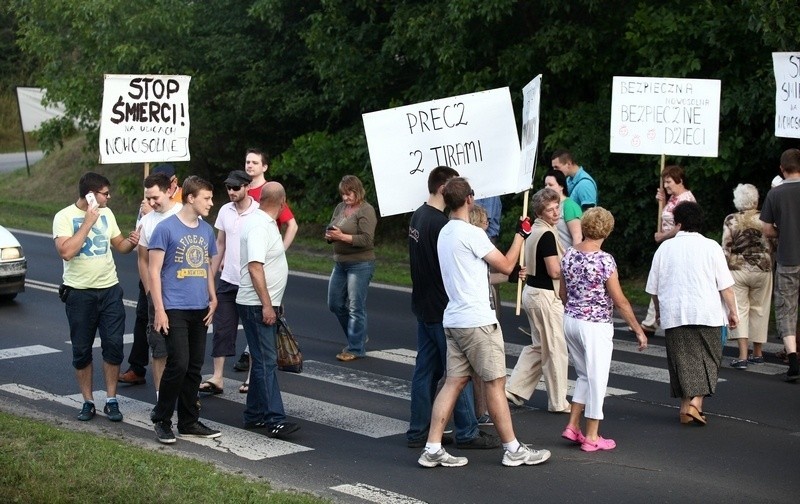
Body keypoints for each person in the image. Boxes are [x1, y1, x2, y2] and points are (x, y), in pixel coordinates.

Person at [417, 176, 551, 469]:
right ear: (469, 199)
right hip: (477, 319)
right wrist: (521, 234)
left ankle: (432, 447)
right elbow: (505, 264)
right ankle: (513, 449)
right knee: (495, 383)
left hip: (453, 318)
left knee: (452, 383)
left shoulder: (445, 232)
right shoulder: (472, 233)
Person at [406, 166, 500, 450]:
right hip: (443, 307)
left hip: (422, 303)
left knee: (426, 371)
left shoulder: (418, 216)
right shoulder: (441, 224)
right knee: (458, 374)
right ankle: (467, 431)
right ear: (444, 187)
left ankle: (417, 431)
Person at [53, 172, 140, 421]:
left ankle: (111, 399)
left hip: (110, 289)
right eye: (105, 193)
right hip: (79, 294)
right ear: (91, 195)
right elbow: (66, 252)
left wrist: (131, 242)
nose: (109, 197)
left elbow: (119, 245)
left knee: (113, 345)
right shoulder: (64, 217)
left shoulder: (108, 214)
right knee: (82, 350)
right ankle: (88, 401)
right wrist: (88, 222)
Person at [559, 207, 647, 451]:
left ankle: (572, 425)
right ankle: (592, 436)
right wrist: (638, 330)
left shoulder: (568, 254)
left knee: (584, 375)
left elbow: (562, 293)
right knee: (598, 379)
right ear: (607, 231)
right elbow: (619, 301)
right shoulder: (604, 260)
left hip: (571, 320)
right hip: (595, 325)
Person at [646, 202, 739, 425]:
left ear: (678, 223)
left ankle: (685, 408)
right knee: (709, 359)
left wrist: (658, 313)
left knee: (682, 362)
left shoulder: (665, 248)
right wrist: (733, 312)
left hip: (675, 314)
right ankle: (696, 403)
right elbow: (725, 286)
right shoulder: (712, 247)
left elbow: (654, 289)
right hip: (707, 312)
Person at [149, 176, 221, 444]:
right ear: (190, 198)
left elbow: (206, 267)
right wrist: (159, 309)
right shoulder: (166, 229)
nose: (211, 203)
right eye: (207, 198)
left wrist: (213, 298)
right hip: (174, 307)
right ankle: (162, 419)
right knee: (177, 363)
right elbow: (154, 272)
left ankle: (189, 421)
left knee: (194, 367)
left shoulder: (206, 230)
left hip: (200, 307)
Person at [236, 181, 300, 437]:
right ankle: (275, 419)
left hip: (263, 302)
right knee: (267, 362)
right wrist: (266, 304)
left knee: (263, 361)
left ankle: (254, 415)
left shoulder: (264, 223)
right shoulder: (259, 226)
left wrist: (273, 300)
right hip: (256, 304)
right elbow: (255, 267)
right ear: (283, 202)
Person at [506, 188, 571, 414]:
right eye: (549, 209)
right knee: (555, 349)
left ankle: (514, 389)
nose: (555, 212)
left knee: (540, 346)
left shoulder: (534, 229)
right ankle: (558, 401)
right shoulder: (547, 234)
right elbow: (554, 271)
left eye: (556, 207)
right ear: (540, 212)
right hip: (544, 295)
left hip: (532, 291)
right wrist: (572, 269)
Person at [236, 148, 299, 373]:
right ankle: (250, 355)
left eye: (255, 162)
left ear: (264, 167)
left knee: (262, 315)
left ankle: (250, 358)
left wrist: (281, 248)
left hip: (261, 264)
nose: (250, 165)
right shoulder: (240, 188)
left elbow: (292, 224)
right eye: (247, 161)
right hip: (243, 263)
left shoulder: (270, 191)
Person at [199, 170, 260, 395]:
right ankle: (217, 377)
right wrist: (210, 279)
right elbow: (220, 245)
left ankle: (253, 376)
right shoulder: (225, 210)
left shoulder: (258, 212)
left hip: (250, 282)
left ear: (247, 187)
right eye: (228, 188)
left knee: (254, 331)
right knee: (222, 328)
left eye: (236, 187)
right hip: (228, 279)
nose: (231, 192)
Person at [125, 172, 183, 398]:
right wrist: (150, 293)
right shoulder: (146, 221)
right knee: (159, 349)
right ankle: (161, 397)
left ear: (169, 190)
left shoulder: (184, 214)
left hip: (183, 296)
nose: (150, 203)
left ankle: (184, 396)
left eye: (155, 197)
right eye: (147, 198)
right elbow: (143, 259)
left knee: (182, 351)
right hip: (157, 295)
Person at [325, 175, 378, 362]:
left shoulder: (366, 210)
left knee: (356, 305)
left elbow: (366, 239)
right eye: (343, 194)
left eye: (349, 194)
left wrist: (342, 237)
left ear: (358, 191)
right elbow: (333, 227)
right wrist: (330, 235)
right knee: (334, 303)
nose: (346, 198)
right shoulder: (341, 208)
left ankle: (356, 347)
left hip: (360, 263)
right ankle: (359, 335)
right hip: (340, 262)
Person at [722, 184, 774, 369]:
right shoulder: (765, 219)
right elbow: (774, 242)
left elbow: (726, 247)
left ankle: (742, 356)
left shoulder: (731, 220)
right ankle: (758, 353)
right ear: (756, 199)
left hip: (737, 270)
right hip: (763, 269)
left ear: (737, 200)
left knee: (739, 309)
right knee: (760, 309)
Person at [640, 165, 697, 334]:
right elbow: (667, 216)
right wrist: (663, 201)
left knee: (663, 279)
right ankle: (651, 320)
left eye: (669, 181)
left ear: (679, 180)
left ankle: (654, 320)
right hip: (668, 245)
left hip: (676, 245)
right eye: (664, 182)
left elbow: (681, 226)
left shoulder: (686, 200)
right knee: (660, 278)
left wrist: (662, 236)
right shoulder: (673, 198)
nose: (666, 185)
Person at [761, 148, 800, 381]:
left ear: (781, 169)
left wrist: (783, 232)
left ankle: (793, 359)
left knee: (786, 308)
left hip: (788, 259)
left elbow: (766, 229)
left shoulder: (775, 194)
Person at [475, 196, 503, 321]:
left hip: (487, 238)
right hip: (482, 237)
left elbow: (483, 220)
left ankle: (492, 321)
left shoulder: (488, 190)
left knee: (490, 287)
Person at [543, 169, 583, 250]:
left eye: (550, 185)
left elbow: (577, 237)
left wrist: (573, 259)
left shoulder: (569, 206)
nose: (547, 188)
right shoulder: (546, 206)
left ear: (561, 186)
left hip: (566, 257)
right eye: (545, 185)